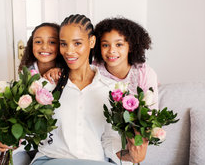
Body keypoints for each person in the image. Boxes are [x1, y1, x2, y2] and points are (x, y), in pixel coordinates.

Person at [31, 14, 148, 165]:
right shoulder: (47, 85)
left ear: (92, 41)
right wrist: (7, 139)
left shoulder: (112, 91)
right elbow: (27, 131)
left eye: (77, 43)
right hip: (51, 160)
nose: (69, 51)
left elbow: (110, 142)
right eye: (63, 44)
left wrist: (132, 156)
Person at [0, 22, 63, 153]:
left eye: (52, 42)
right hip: (30, 144)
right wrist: (0, 132)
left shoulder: (65, 75)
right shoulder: (25, 76)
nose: (45, 47)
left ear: (61, 46)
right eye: (38, 42)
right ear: (31, 45)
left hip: (57, 144)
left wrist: (61, 72)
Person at [93, 17, 158, 110]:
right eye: (105, 45)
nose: (112, 51)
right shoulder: (92, 69)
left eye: (119, 44)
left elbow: (151, 115)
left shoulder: (145, 74)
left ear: (130, 47)